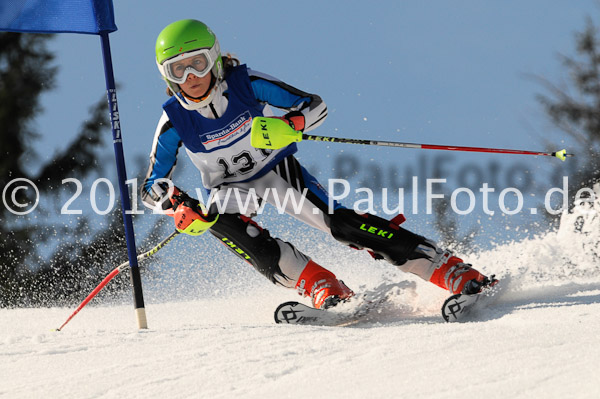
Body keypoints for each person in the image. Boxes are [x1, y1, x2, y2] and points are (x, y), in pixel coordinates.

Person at [141, 19, 495, 310]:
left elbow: (315, 105)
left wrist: (291, 125)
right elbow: (150, 187)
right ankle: (321, 285)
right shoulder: (173, 122)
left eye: (198, 63)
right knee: (219, 223)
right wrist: (176, 205)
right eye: (178, 70)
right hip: (228, 187)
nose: (190, 78)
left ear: (215, 58)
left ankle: (444, 267)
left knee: (339, 224)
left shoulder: (245, 84)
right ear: (167, 76)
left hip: (275, 170)